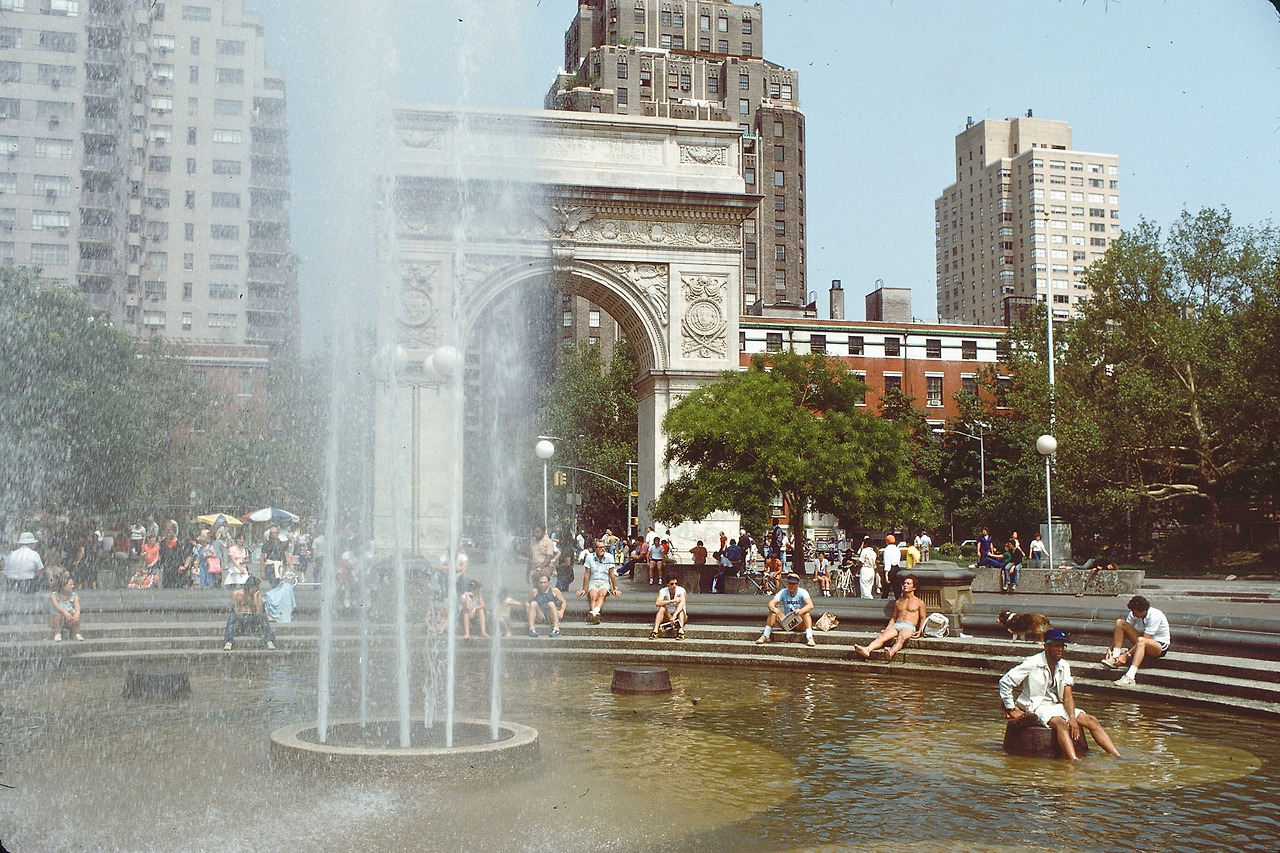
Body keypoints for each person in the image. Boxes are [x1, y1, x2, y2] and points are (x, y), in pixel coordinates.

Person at [999, 628, 1121, 760]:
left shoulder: (1064, 665)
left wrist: (1072, 717)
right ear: (1046, 646)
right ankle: (1074, 760)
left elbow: (1067, 696)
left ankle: (1117, 756)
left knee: (1092, 720)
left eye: (1062, 646)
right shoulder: (1032, 662)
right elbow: (1005, 682)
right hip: (1036, 706)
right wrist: (1011, 708)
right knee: (1061, 723)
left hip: (1056, 704)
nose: (1060, 650)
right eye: (1056, 646)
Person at [854, 575, 927, 661]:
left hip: (909, 626)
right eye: (904, 583)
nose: (905, 585)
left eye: (908, 583)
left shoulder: (919, 602)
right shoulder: (898, 602)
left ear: (914, 587)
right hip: (897, 624)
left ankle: (891, 652)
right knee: (882, 636)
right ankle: (867, 649)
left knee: (901, 637)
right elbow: (894, 617)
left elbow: (923, 618)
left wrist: (920, 631)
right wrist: (887, 628)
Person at [1104, 594, 1171, 686]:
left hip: (1159, 646)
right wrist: (1111, 648)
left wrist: (1126, 655)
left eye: (1135, 612)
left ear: (1142, 611)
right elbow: (1123, 630)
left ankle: (1130, 677)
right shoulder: (1134, 613)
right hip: (1143, 641)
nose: (1133, 614)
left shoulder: (1155, 616)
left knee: (1141, 640)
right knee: (1120, 623)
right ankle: (1115, 658)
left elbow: (1145, 639)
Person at [754, 573, 816, 647]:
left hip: (799, 622)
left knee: (806, 613)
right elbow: (771, 603)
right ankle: (765, 635)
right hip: (787, 621)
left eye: (793, 584)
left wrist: (800, 611)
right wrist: (772, 607)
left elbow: (810, 605)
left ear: (798, 584)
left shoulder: (803, 592)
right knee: (773, 612)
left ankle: (809, 637)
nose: (791, 585)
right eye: (789, 583)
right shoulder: (783, 591)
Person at [223, 575, 276, 651]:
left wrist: (255, 598)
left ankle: (269, 641)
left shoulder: (257, 595)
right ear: (252, 587)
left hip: (252, 619)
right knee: (232, 616)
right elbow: (233, 608)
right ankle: (229, 642)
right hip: (240, 619)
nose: (258, 588)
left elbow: (259, 611)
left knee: (263, 616)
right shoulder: (237, 594)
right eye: (257, 587)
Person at [578, 538, 620, 624]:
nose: (603, 549)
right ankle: (595, 615)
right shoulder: (590, 557)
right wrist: (584, 588)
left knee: (601, 594)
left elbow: (612, 574)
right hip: (593, 581)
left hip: (604, 581)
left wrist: (615, 588)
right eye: (600, 547)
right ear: (595, 549)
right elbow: (587, 574)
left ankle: (594, 613)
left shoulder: (609, 557)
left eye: (604, 547)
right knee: (593, 597)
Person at [49, 572, 83, 642]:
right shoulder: (54, 595)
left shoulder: (74, 596)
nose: (73, 586)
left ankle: (76, 633)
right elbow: (57, 606)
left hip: (69, 619)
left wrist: (77, 614)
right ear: (63, 586)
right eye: (70, 585)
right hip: (57, 619)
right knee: (58, 614)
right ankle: (57, 633)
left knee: (74, 612)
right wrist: (65, 613)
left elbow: (77, 606)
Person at [881, 535, 903, 599]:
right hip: (897, 568)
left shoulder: (887, 550)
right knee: (897, 588)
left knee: (886, 588)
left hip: (890, 569)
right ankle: (899, 600)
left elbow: (887, 562)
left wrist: (886, 574)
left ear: (887, 541)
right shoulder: (897, 549)